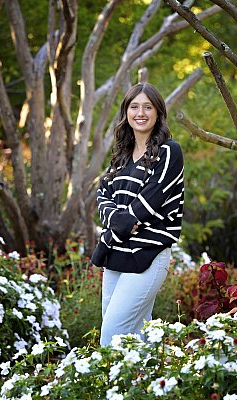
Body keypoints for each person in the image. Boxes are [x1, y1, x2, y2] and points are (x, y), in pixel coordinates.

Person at [91, 82, 184, 346]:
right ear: (126, 113)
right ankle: (151, 386)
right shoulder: (120, 157)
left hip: (148, 254)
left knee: (112, 334)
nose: (140, 112)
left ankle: (110, 387)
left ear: (158, 113)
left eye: (147, 106)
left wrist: (127, 220)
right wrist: (122, 223)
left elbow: (151, 200)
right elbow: (103, 197)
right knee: (140, 338)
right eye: (134, 107)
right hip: (116, 253)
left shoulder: (169, 152)